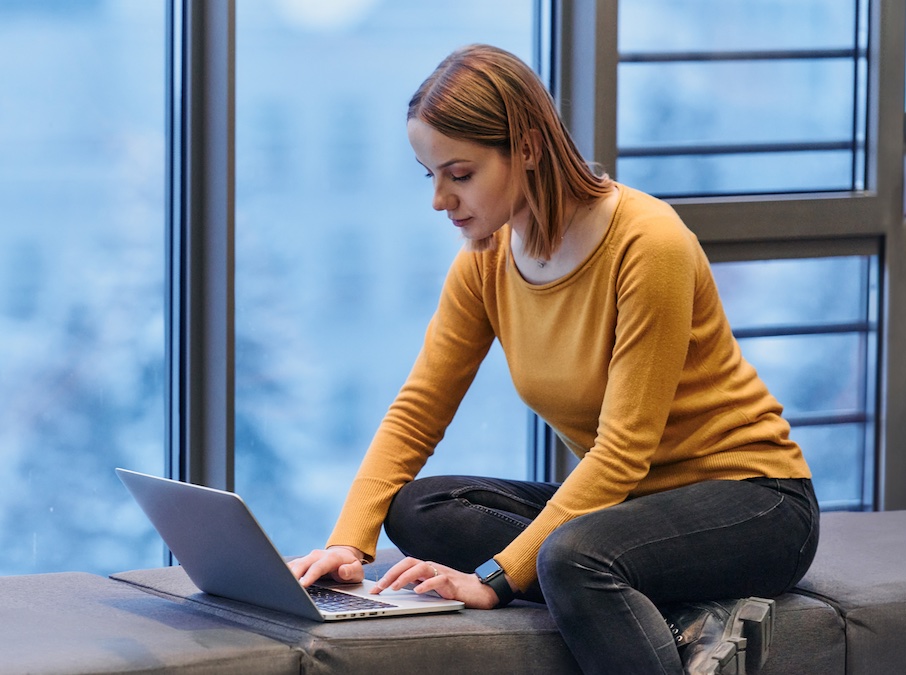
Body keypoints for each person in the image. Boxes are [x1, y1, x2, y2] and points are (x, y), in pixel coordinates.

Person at [287, 44, 819, 675]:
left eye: (459, 175)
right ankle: (648, 601)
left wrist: (495, 578)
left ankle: (625, 594)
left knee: (571, 557)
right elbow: (417, 411)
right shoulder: (485, 261)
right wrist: (348, 543)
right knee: (418, 508)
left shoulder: (649, 244)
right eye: (428, 176)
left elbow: (622, 451)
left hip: (751, 501)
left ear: (530, 149)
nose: (439, 200)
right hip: (626, 510)